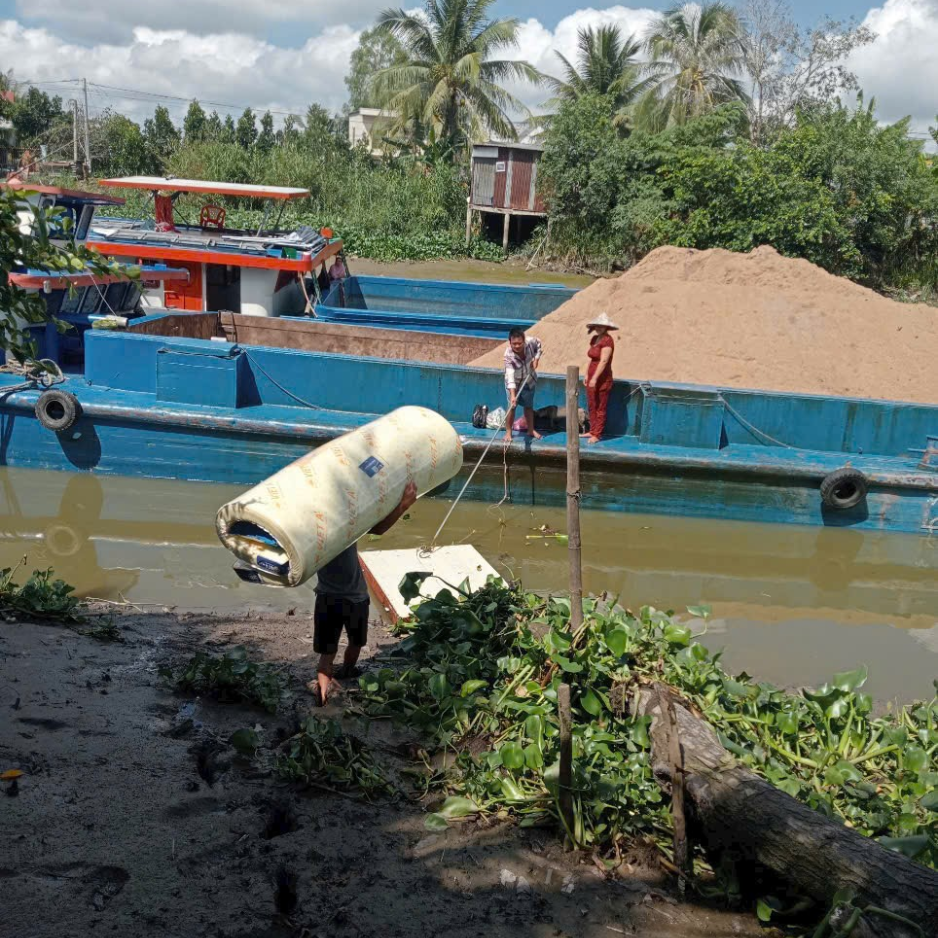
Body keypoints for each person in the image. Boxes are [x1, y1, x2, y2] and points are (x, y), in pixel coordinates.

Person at [312, 481, 417, 705]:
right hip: (350, 598)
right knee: (353, 642)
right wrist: (403, 506)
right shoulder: (346, 526)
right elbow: (378, 528)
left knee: (333, 651)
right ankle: (330, 689)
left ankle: (337, 681)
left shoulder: (316, 534)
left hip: (330, 598)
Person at [582, 312, 618, 444]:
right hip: (592, 375)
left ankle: (597, 434)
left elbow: (603, 361)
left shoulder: (607, 340)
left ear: (606, 327)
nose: (599, 328)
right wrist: (587, 374)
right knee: (592, 404)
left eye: (602, 326)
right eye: (597, 325)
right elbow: (591, 360)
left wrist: (595, 378)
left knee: (601, 406)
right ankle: (592, 430)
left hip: (602, 378)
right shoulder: (594, 339)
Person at [503, 327, 543, 443]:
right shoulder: (508, 355)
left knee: (528, 406)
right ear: (510, 342)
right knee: (512, 406)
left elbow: (539, 344)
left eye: (519, 343)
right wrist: (513, 395)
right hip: (514, 382)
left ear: (524, 341)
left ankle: (530, 430)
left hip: (528, 380)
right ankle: (508, 432)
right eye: (514, 344)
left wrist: (536, 359)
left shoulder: (531, 342)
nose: (517, 346)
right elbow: (510, 376)